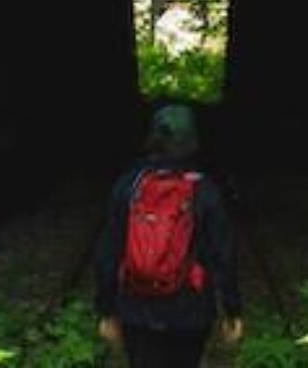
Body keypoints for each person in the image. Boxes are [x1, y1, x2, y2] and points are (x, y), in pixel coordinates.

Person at [94, 104, 244, 368]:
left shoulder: (129, 186)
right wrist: (232, 310)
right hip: (191, 312)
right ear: (193, 140)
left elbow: (108, 253)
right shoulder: (205, 190)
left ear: (152, 138)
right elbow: (224, 255)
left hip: (137, 309)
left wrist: (107, 309)